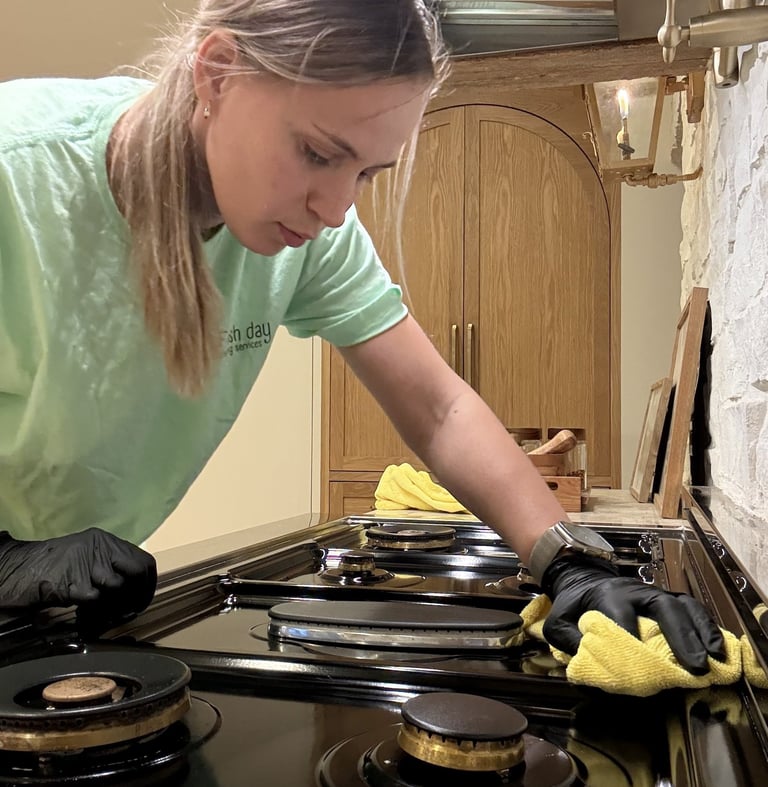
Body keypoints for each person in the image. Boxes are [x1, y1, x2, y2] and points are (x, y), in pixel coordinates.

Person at [0, 0, 724, 670]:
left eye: (368, 173)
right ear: (218, 73)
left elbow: (439, 409)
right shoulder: (16, 174)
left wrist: (568, 560)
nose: (335, 206)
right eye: (318, 154)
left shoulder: (313, 233)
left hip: (57, 605)